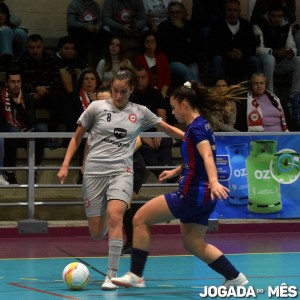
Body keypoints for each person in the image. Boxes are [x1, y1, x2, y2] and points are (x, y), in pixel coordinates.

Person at [111, 80, 248, 289]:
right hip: (204, 197)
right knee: (192, 242)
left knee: (139, 219)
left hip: (192, 194)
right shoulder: (201, 125)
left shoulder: (197, 130)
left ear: (184, 105)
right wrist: (176, 170)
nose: (173, 112)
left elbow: (207, 156)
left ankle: (135, 275)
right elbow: (193, 153)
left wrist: (213, 180)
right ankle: (235, 277)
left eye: (174, 108)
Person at [57, 68, 184, 290]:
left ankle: (111, 275)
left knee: (116, 216)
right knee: (97, 233)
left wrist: (191, 136)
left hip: (122, 172)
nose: (117, 96)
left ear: (131, 89)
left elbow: (166, 129)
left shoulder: (140, 112)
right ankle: (107, 217)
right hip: (94, 174)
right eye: (114, 90)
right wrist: (66, 165)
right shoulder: (96, 108)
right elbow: (77, 137)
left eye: (123, 91)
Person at [0, 69, 48, 184]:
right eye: (12, 82)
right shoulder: (0, 97)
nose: (16, 85)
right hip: (8, 135)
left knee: (42, 129)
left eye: (18, 81)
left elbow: (31, 122)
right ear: (6, 83)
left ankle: (34, 167)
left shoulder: (27, 98)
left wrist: (18, 106)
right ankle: (9, 170)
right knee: (13, 131)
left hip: (24, 132)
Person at [252, 2, 300, 108]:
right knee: (270, 58)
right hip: (264, 62)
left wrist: (290, 52)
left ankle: (293, 99)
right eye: (274, 16)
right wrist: (275, 52)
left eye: (279, 16)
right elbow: (257, 49)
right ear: (269, 15)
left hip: (280, 62)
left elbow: (291, 45)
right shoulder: (259, 24)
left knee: (298, 61)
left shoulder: (285, 26)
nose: (277, 19)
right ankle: (270, 95)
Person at [13, 34, 60, 136]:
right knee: (26, 98)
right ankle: (31, 132)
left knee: (58, 98)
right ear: (27, 48)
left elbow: (55, 80)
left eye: (38, 47)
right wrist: (36, 89)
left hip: (47, 93)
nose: (35, 50)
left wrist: (43, 90)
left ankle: (52, 134)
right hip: (28, 93)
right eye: (32, 48)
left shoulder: (51, 59)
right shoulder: (20, 60)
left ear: (43, 47)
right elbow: (19, 81)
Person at [207, 0, 261, 84]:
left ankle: (256, 91)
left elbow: (252, 46)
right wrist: (228, 53)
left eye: (235, 10)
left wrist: (242, 53)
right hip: (224, 60)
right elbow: (212, 47)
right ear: (225, 11)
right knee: (217, 59)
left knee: (254, 60)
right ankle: (219, 91)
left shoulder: (246, 25)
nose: (232, 13)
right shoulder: (217, 25)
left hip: (242, 60)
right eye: (229, 10)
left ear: (239, 12)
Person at [157, 1, 201, 86]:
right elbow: (168, 46)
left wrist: (183, 27)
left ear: (183, 13)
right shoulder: (163, 27)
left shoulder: (189, 25)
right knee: (187, 73)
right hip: (173, 62)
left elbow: (197, 40)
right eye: (172, 12)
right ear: (168, 14)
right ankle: (206, 94)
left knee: (193, 77)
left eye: (178, 12)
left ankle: (191, 97)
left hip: (190, 61)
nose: (175, 15)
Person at [54, 35, 87, 133]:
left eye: (72, 49)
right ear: (60, 49)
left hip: (76, 91)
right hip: (58, 91)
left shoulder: (80, 62)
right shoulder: (53, 61)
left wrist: (79, 74)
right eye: (66, 48)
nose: (69, 51)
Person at [134, 30, 171, 99]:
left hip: (162, 92)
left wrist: (162, 93)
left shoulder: (162, 57)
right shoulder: (139, 59)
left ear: (156, 43)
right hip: (146, 94)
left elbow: (167, 78)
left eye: (152, 41)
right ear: (143, 44)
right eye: (147, 42)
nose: (150, 44)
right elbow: (139, 80)